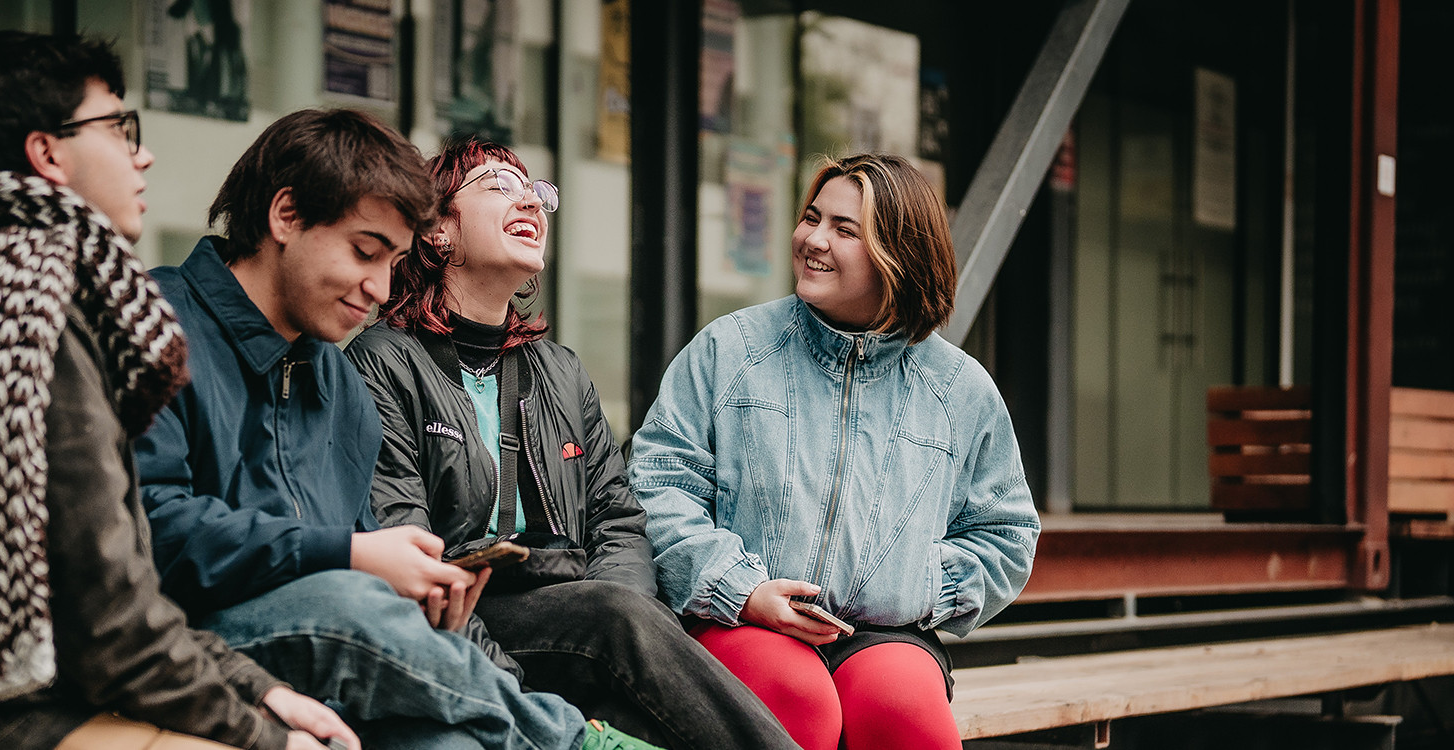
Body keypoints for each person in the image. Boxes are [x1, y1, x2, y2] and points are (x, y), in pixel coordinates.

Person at [0, 32, 349, 750]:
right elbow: (102, 612)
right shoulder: (7, 301)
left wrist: (254, 687)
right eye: (119, 129)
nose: (141, 154)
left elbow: (107, 589)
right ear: (47, 153)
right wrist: (260, 729)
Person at [133, 109, 660, 750]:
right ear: (285, 216)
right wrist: (352, 559)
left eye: (394, 262)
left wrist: (423, 596)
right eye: (364, 252)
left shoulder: (340, 385)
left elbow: (369, 554)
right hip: (185, 641)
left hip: (342, 662)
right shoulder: (153, 327)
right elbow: (148, 531)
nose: (380, 289)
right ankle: (573, 742)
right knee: (345, 603)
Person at [343, 138, 797, 750]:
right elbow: (414, 561)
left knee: (621, 621)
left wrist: (629, 616)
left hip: (582, 619)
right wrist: (510, 690)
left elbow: (617, 518)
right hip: (465, 626)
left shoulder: (560, 370)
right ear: (437, 231)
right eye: (499, 186)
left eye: (536, 191)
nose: (528, 199)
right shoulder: (383, 363)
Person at [628, 153, 1041, 750]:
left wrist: (921, 586)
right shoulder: (731, 349)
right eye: (811, 218)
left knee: (903, 711)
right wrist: (739, 590)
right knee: (796, 701)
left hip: (887, 634)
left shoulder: (960, 389)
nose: (813, 240)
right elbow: (660, 483)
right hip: (741, 617)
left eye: (844, 230)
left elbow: (1004, 532)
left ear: (899, 255)